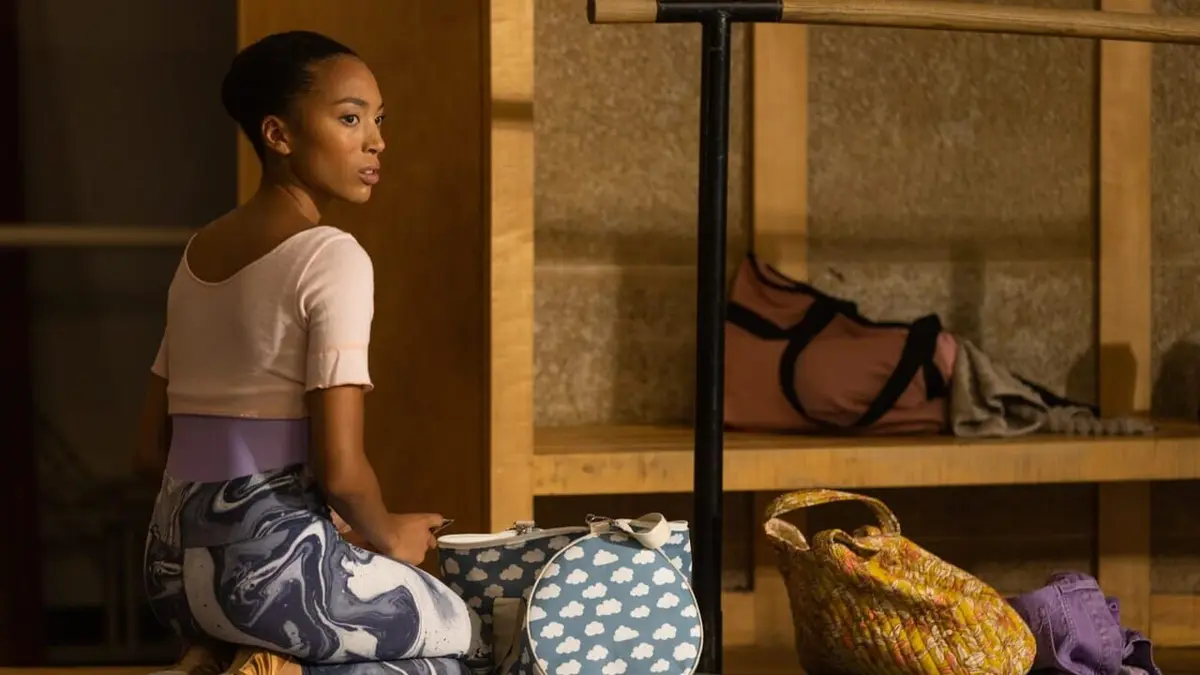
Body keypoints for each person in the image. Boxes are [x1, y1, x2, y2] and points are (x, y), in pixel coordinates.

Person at [136, 30, 479, 675]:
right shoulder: (331, 256)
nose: (376, 141)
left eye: (379, 120)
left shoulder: (198, 254)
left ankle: (236, 653)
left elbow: (149, 450)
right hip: (264, 573)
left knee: (362, 651)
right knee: (466, 633)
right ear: (279, 134)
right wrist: (390, 535)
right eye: (350, 118)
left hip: (171, 571)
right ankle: (271, 653)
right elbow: (342, 471)